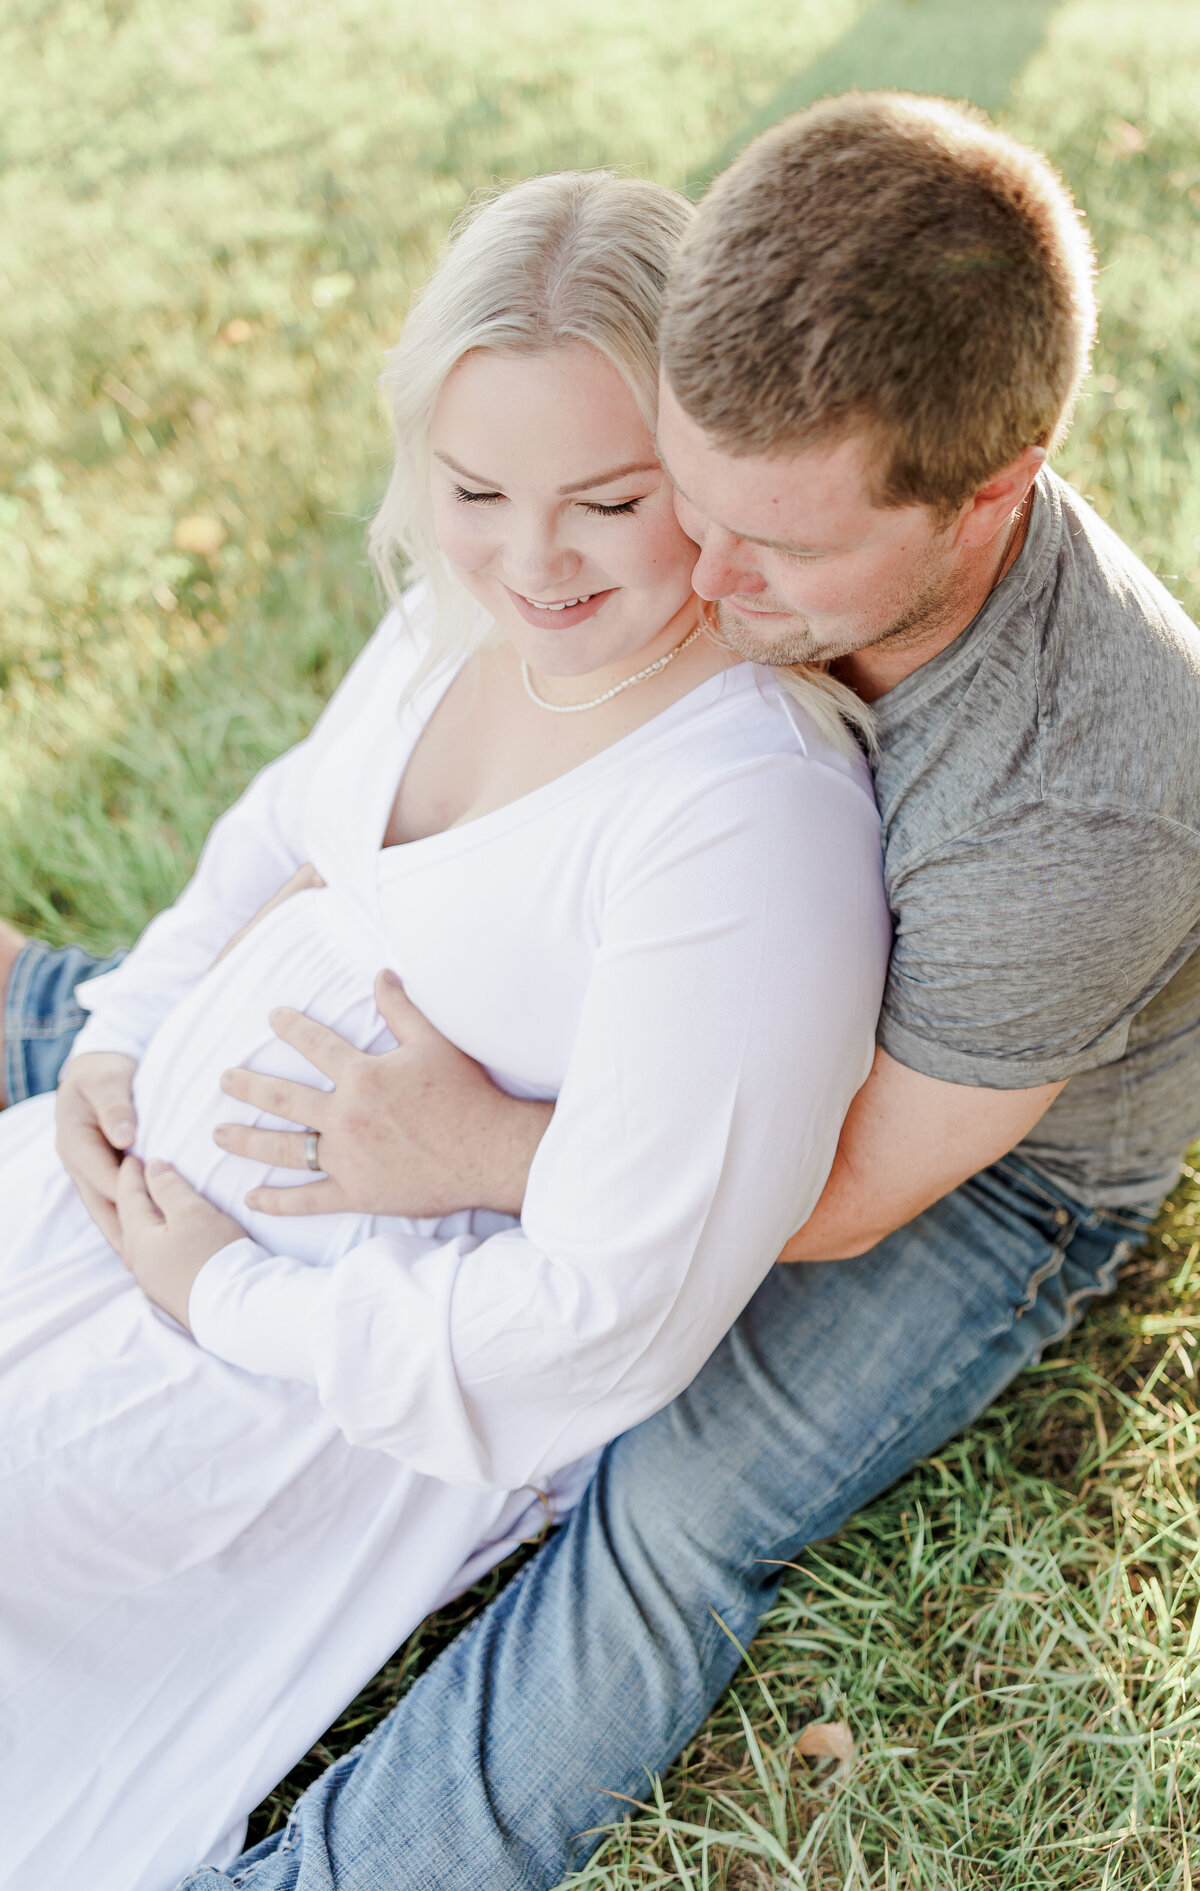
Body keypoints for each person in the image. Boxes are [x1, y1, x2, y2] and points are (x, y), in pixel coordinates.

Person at [5, 89, 1198, 1891]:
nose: (702, 587)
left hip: (963, 1165)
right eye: (685, 499)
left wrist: (473, 1147)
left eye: (766, 549)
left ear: (990, 493)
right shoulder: (722, 490)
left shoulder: (1083, 795)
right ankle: (60, 1007)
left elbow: (805, 1196)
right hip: (600, 1029)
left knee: (670, 1523)